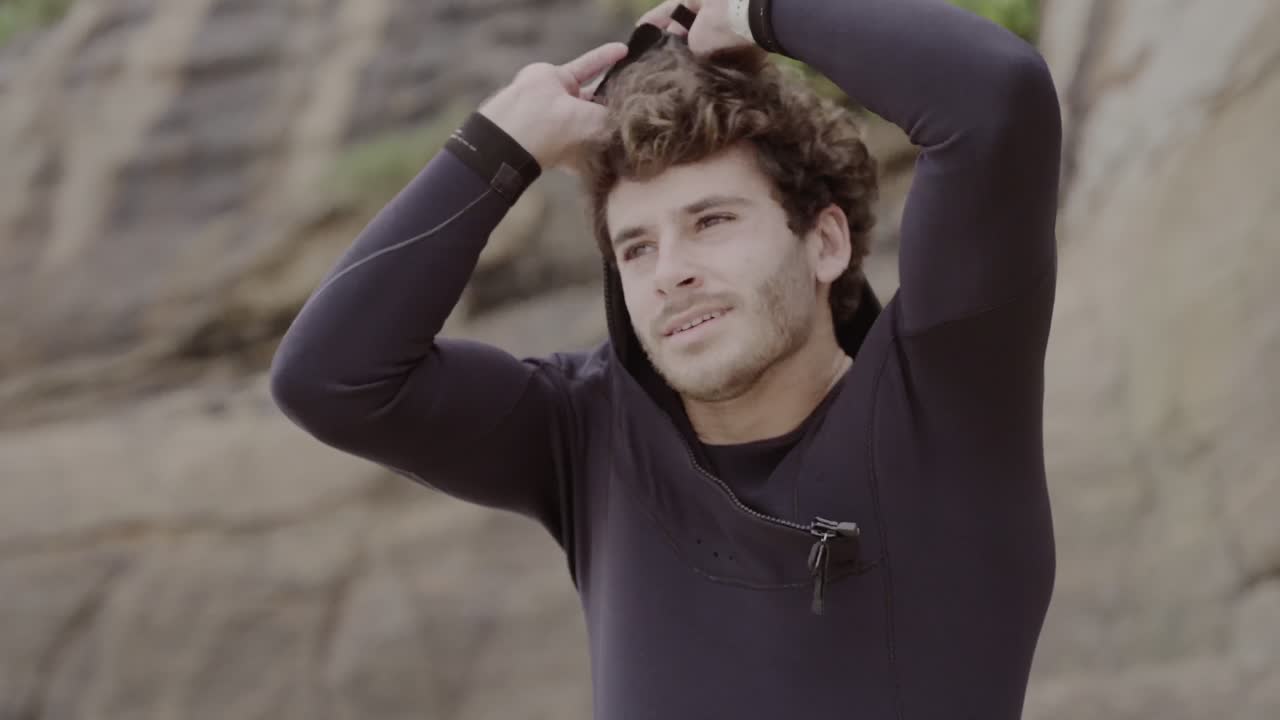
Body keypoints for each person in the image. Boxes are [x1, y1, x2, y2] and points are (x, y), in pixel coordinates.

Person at [270, 0, 1062, 716]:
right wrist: (499, 145)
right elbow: (329, 378)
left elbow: (994, 100)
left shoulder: (948, 404)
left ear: (824, 242)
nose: (670, 271)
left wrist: (758, 11)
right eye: (636, 245)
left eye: (712, 221)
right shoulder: (585, 436)